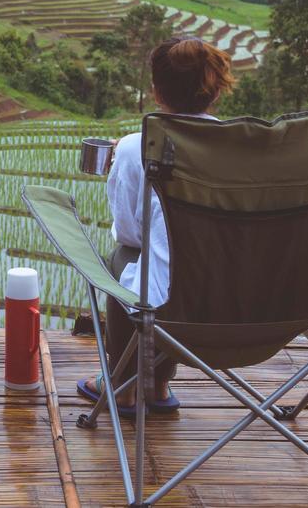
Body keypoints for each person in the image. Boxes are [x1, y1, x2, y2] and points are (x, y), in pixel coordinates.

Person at [78, 35, 236, 414]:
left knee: (129, 256)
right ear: (216, 92)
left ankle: (125, 385)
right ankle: (160, 385)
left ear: (156, 91)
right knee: (170, 264)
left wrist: (125, 159)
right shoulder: (241, 146)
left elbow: (131, 232)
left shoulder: (138, 146)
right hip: (242, 307)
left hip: (170, 307)